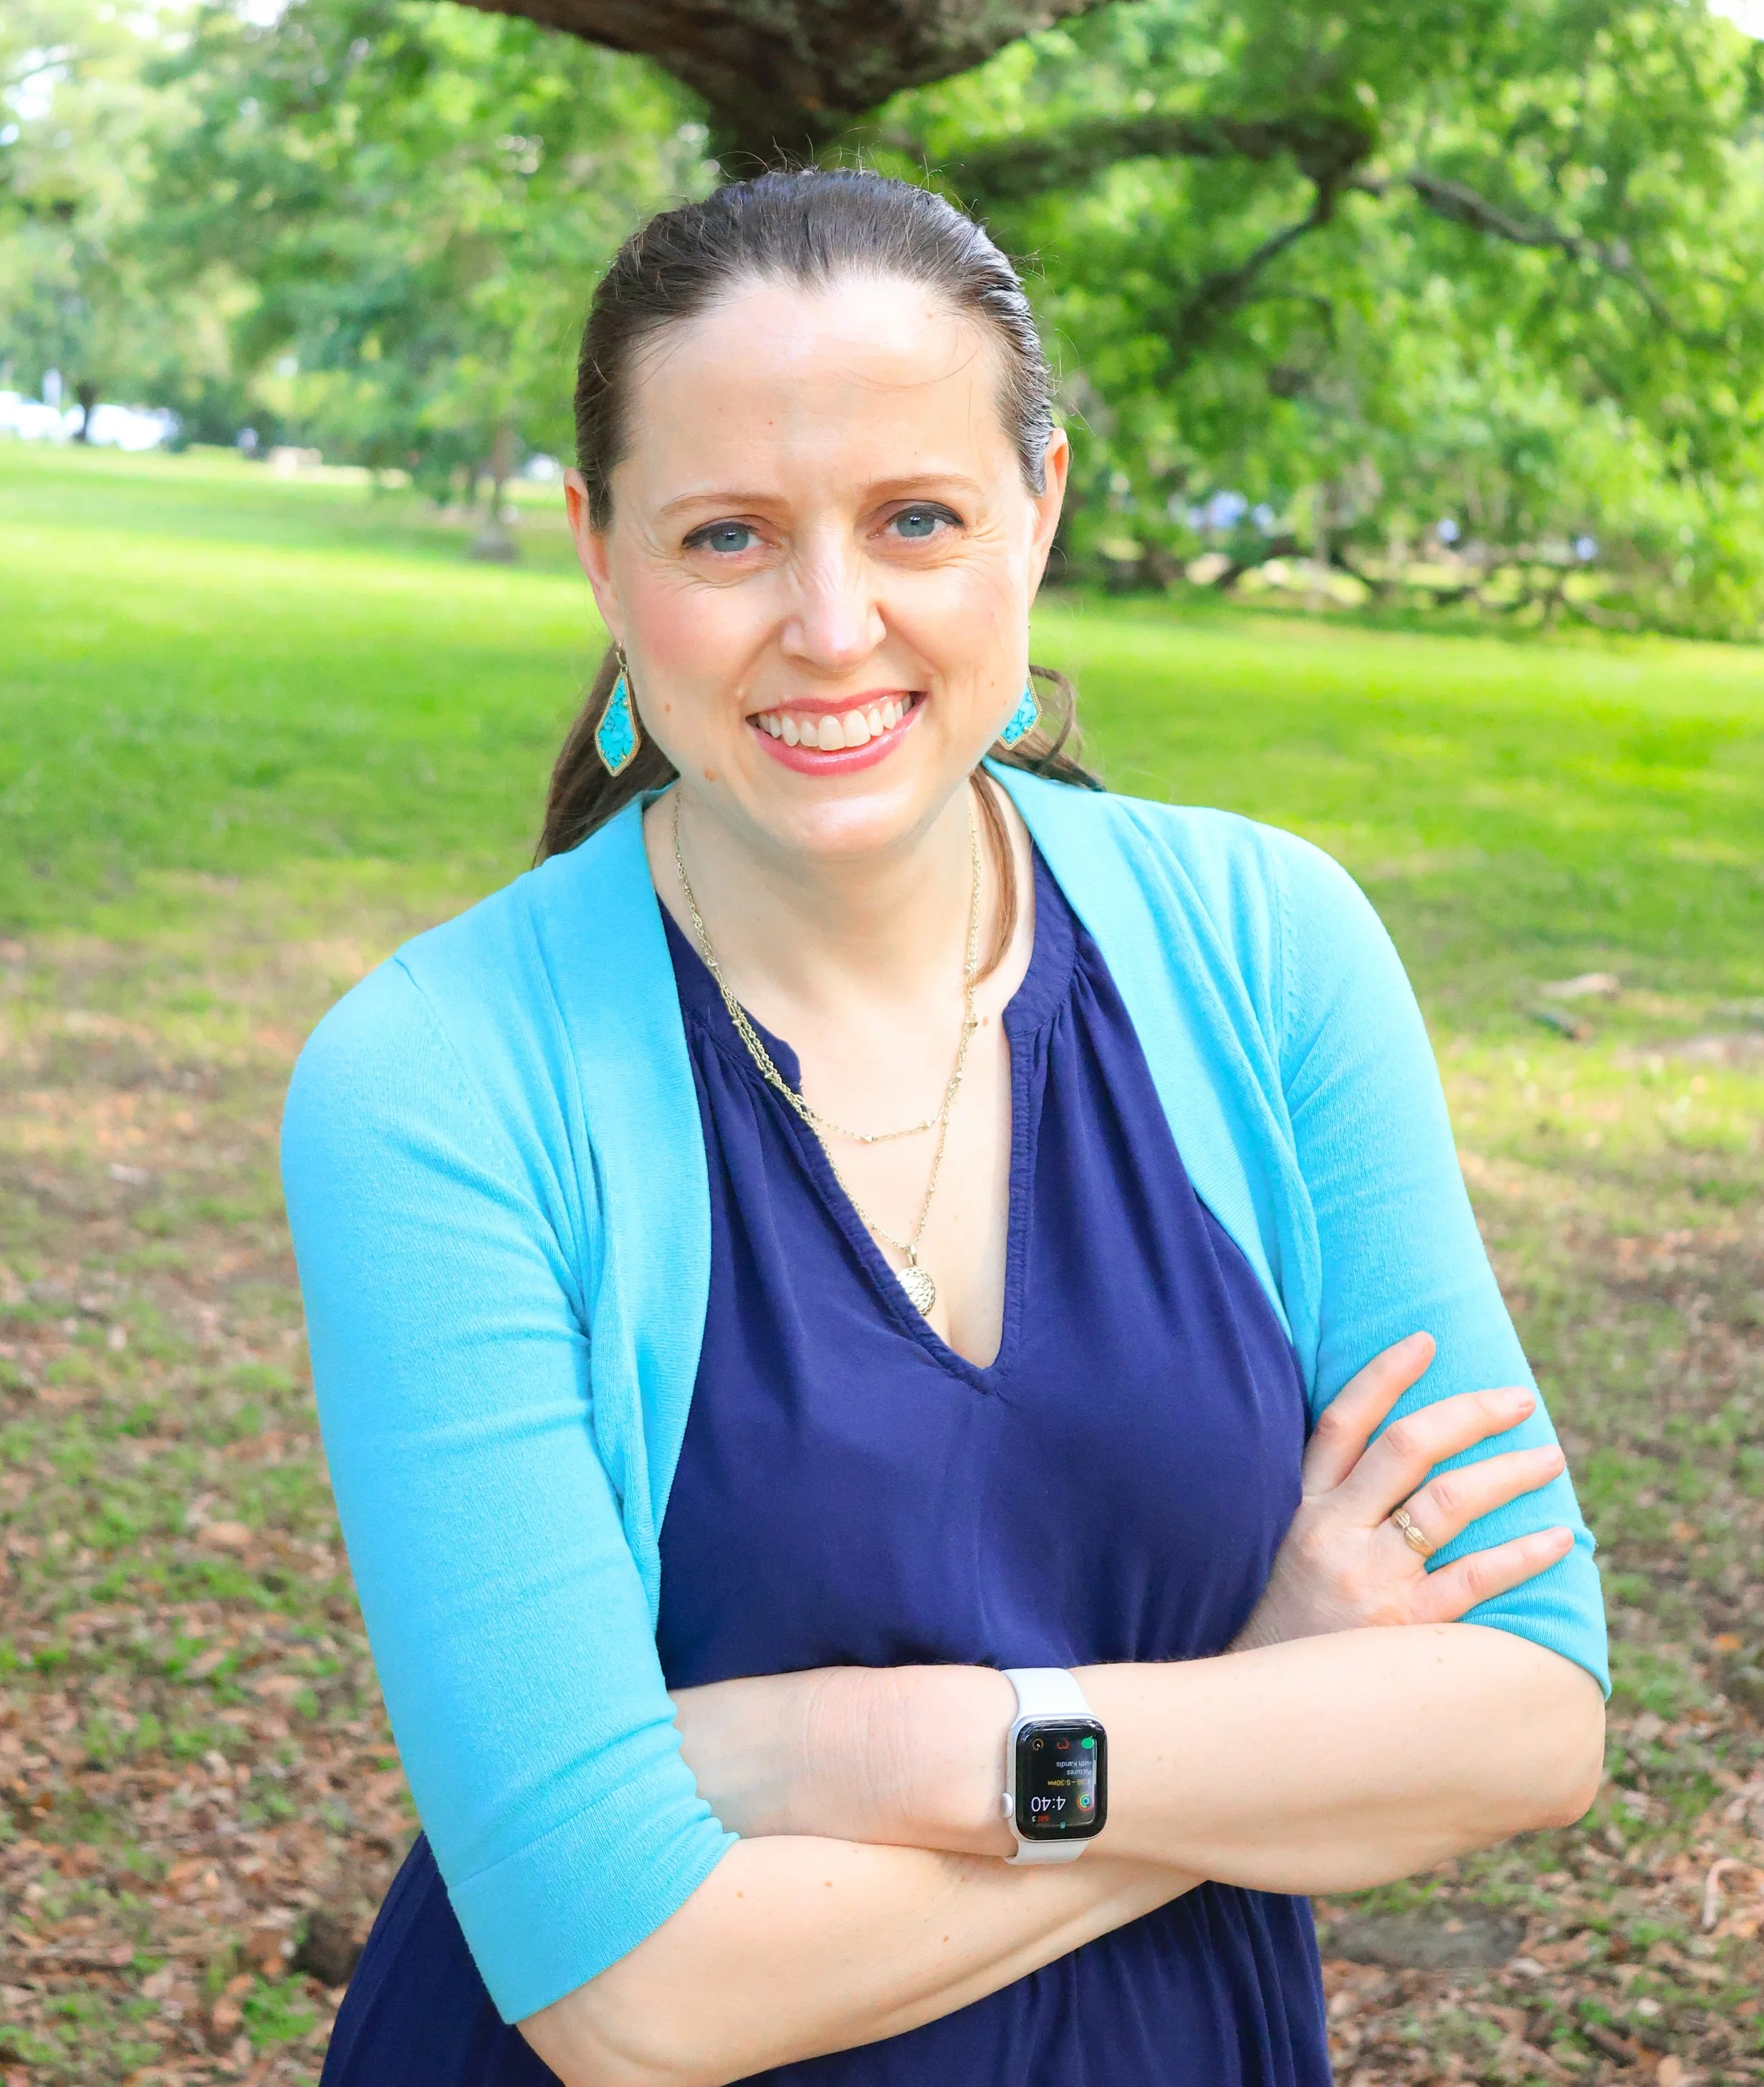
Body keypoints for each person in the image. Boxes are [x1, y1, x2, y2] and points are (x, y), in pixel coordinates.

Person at [282, 168, 1606, 2087]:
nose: (834, 624)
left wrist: (870, 1750)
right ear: (598, 552)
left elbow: (1526, 1708)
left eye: (916, 516)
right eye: (726, 534)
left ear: (1037, 511)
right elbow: (631, 1990)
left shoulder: (1266, 943)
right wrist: (1248, 1711)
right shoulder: (438, 1079)